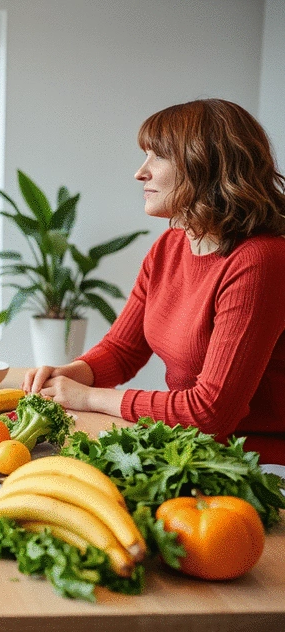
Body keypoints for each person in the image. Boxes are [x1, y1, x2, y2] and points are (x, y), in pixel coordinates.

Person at [23, 98, 285, 465]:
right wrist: (72, 372)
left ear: (204, 164)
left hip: (257, 464)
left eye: (158, 156)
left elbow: (210, 414)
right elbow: (122, 350)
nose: (140, 172)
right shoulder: (170, 245)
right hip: (191, 449)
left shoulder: (260, 260)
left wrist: (87, 397)